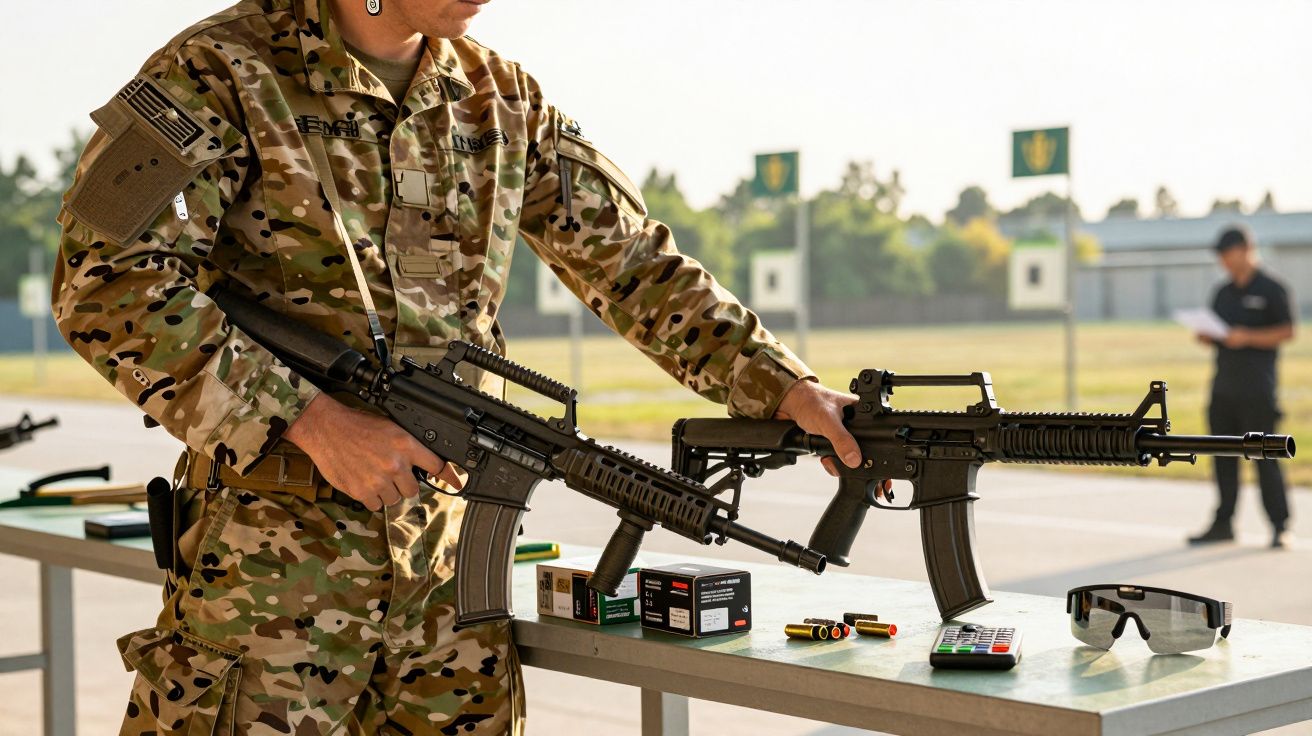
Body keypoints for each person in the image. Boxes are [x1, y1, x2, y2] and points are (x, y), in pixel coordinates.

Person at [51, 0, 867, 733]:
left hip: (450, 582)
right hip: (269, 577)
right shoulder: (222, 70)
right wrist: (312, 421)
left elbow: (632, 264)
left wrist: (782, 386)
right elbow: (106, 283)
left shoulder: (501, 99)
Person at [1188, 224, 1296, 549]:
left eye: (1228, 253)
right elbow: (1216, 329)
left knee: (1265, 457)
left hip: (1257, 390)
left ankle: (1279, 525)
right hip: (1223, 388)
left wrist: (1247, 337)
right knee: (1222, 457)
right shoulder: (1223, 292)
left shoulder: (1271, 288)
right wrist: (1207, 335)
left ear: (1246, 249)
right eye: (1220, 255)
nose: (1223, 260)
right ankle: (1223, 523)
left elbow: (1288, 330)